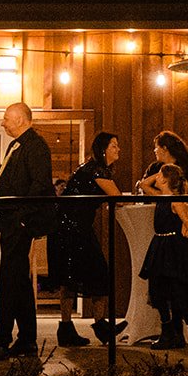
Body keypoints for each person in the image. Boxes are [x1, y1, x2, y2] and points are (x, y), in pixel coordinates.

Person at [0, 102, 56, 360]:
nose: (3, 123)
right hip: (12, 221)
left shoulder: (35, 146)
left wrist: (23, 219)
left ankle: (2, 339)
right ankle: (26, 338)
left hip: (18, 222)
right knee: (19, 281)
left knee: (9, 280)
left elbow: (39, 185)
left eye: (6, 118)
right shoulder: (18, 146)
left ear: (20, 119)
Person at [49, 131, 126, 346]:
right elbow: (116, 196)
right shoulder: (97, 170)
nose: (118, 149)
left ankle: (68, 329)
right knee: (97, 273)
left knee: (70, 278)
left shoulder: (89, 168)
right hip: (74, 230)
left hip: (68, 228)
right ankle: (100, 326)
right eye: (114, 145)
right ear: (103, 149)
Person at [139, 164, 188, 350]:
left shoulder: (175, 201)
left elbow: (187, 221)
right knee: (159, 289)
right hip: (161, 244)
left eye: (160, 175)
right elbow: (143, 185)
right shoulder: (161, 197)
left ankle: (174, 333)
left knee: (173, 288)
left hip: (171, 247)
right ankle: (169, 331)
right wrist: (159, 174)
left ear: (164, 179)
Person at [137, 130, 188, 196]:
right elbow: (142, 187)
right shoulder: (154, 167)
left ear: (164, 148)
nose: (154, 151)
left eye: (156, 147)